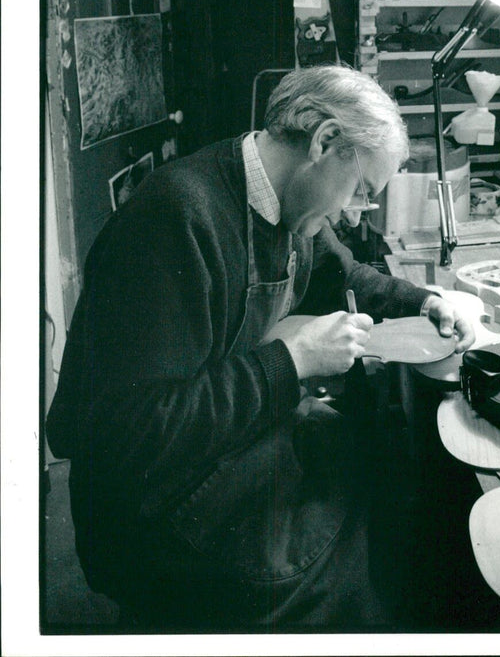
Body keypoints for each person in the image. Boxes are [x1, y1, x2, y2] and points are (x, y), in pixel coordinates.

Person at [46, 65, 474, 631]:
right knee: (377, 548)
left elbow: (346, 276)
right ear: (324, 141)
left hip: (221, 452)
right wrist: (293, 361)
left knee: (393, 473)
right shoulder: (175, 218)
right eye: (362, 191)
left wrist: (425, 301)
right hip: (154, 515)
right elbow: (127, 435)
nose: (352, 212)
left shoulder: (291, 210)